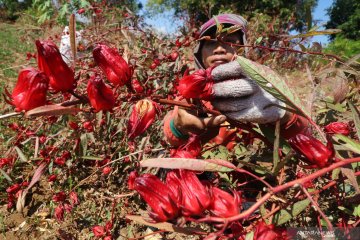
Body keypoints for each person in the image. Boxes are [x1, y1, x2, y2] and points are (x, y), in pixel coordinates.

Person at [163, 13, 309, 148]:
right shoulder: (192, 89)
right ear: (199, 54)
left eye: (230, 41)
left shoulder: (263, 81)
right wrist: (178, 127)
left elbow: (303, 135)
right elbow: (171, 137)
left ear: (243, 48)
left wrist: (284, 114)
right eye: (211, 43)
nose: (219, 49)